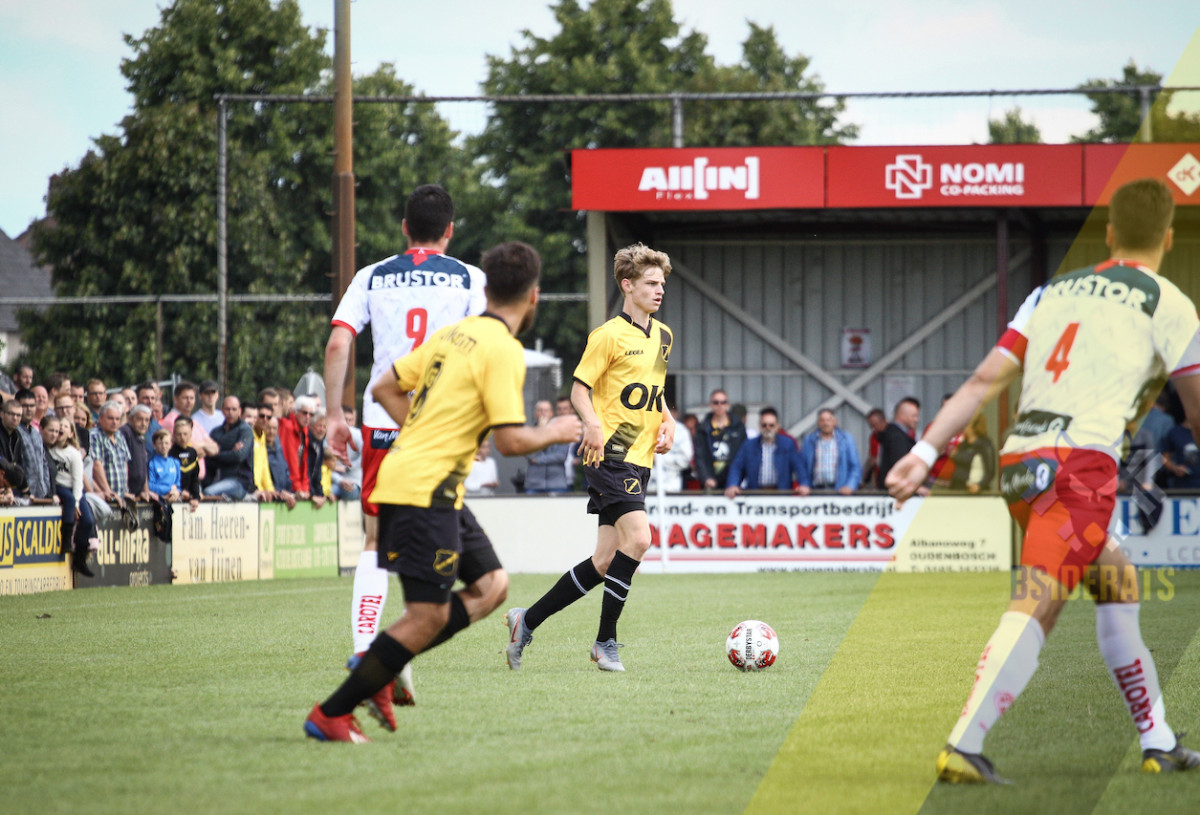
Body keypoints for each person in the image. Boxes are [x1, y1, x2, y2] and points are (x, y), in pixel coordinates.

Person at [887, 178, 1200, 782]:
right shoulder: (1168, 300)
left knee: (1117, 582)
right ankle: (964, 742)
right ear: (1166, 237)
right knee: (1039, 602)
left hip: (1020, 465)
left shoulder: (1050, 291)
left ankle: (1157, 740)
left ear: (1108, 234)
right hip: (1079, 469)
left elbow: (982, 381)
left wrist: (925, 451)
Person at [304, 240, 581, 742]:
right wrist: (561, 429)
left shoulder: (455, 334)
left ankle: (381, 666)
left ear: (487, 289)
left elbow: (384, 387)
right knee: (426, 615)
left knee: (492, 586)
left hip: (429, 483)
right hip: (421, 488)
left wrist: (429, 429)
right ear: (534, 296)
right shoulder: (503, 350)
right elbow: (512, 440)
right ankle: (334, 710)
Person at [321, 184, 488, 704]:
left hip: (381, 423)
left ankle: (368, 648)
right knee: (439, 543)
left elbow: (338, 341)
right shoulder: (468, 277)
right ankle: (394, 658)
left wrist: (333, 416)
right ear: (450, 230)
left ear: (403, 228)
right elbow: (484, 347)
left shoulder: (372, 274)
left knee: (375, 541)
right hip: (440, 427)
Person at [505, 242, 674, 674]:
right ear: (627, 285)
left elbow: (652, 391)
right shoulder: (607, 335)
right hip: (610, 454)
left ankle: (527, 620)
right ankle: (605, 643)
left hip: (641, 457)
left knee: (604, 560)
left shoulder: (663, 336)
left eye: (662, 283)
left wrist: (668, 420)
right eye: (651, 283)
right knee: (639, 539)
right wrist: (593, 424)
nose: (659, 290)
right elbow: (580, 389)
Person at [45, 414, 98, 576]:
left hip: (73, 488)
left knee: (87, 520)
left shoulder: (73, 453)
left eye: (65, 427)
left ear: (71, 434)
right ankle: (66, 540)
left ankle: (80, 559)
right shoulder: (49, 450)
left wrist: (76, 502)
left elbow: (77, 480)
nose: (60, 429)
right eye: (58, 426)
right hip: (59, 487)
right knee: (67, 500)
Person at [724, 407, 800, 498]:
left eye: (771, 425)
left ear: (777, 426)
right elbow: (737, 467)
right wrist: (733, 485)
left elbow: (799, 466)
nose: (768, 428)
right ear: (759, 426)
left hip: (780, 495)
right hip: (756, 495)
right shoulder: (748, 445)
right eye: (764, 425)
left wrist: (804, 484)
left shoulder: (788, 444)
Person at [796, 408, 863, 495]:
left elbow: (855, 467)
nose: (826, 423)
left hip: (839, 491)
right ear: (818, 423)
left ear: (835, 422)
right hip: (815, 491)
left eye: (829, 420)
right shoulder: (809, 440)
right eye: (822, 420)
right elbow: (802, 467)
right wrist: (804, 484)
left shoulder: (846, 439)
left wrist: (850, 485)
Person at [694, 388, 746, 491]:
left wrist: (736, 480)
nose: (719, 405)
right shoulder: (703, 428)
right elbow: (699, 457)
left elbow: (743, 454)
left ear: (727, 404)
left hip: (733, 481)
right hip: (710, 482)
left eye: (723, 402)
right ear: (711, 405)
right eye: (716, 402)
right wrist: (706, 478)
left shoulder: (738, 427)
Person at [205, 395, 255, 501]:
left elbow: (238, 456)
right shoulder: (216, 432)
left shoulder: (245, 430)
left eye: (234, 409)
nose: (230, 412)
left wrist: (216, 454)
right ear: (222, 410)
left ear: (239, 411)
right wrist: (229, 452)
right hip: (217, 478)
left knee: (208, 492)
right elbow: (207, 457)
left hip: (239, 481)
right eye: (227, 409)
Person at [524, 399, 572, 494]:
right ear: (535, 413)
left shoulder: (561, 433)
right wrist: (541, 431)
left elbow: (561, 456)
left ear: (551, 413)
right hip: (533, 485)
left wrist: (537, 460)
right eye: (540, 410)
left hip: (557, 484)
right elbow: (529, 454)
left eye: (546, 410)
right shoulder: (528, 432)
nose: (543, 413)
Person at [89, 400, 132, 506]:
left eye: (117, 419)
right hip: (104, 496)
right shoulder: (94, 435)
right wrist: (108, 491)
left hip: (120, 496)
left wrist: (125, 489)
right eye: (110, 418)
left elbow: (125, 463)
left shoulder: (119, 435)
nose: (115, 422)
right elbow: (96, 465)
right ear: (100, 418)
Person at [941, 413, 996, 494]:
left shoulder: (985, 445)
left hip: (973, 489)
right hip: (956, 487)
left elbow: (990, 471)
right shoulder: (963, 444)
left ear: (971, 425)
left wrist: (979, 485)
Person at [14, 388, 53, 500]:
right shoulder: (13, 432)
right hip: (21, 495)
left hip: (40, 493)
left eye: (32, 405)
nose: (29, 409)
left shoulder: (36, 433)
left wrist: (45, 487)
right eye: (25, 406)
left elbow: (44, 462)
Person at [877, 397, 920, 489]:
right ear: (902, 415)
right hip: (896, 490)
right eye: (914, 416)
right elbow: (901, 464)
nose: (917, 420)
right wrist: (914, 487)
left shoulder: (894, 433)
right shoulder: (896, 437)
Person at [120, 404, 154, 503]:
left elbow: (143, 468)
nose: (143, 424)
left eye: (147, 420)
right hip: (126, 494)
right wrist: (125, 490)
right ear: (130, 419)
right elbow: (122, 463)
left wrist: (146, 491)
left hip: (139, 494)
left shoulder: (140, 436)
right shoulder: (125, 433)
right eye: (140, 419)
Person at [169, 416, 202, 506]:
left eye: (185, 434)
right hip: (173, 495)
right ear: (174, 435)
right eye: (179, 434)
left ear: (190, 434)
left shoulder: (193, 453)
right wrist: (180, 491)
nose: (182, 437)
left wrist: (195, 496)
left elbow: (194, 478)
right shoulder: (169, 453)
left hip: (188, 496)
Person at [147, 429, 182, 502]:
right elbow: (150, 485)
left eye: (166, 443)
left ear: (171, 444)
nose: (163, 446)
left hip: (174, 498)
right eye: (160, 443)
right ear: (154, 444)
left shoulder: (175, 463)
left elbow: (178, 484)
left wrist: (177, 492)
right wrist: (169, 489)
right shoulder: (151, 463)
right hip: (157, 501)